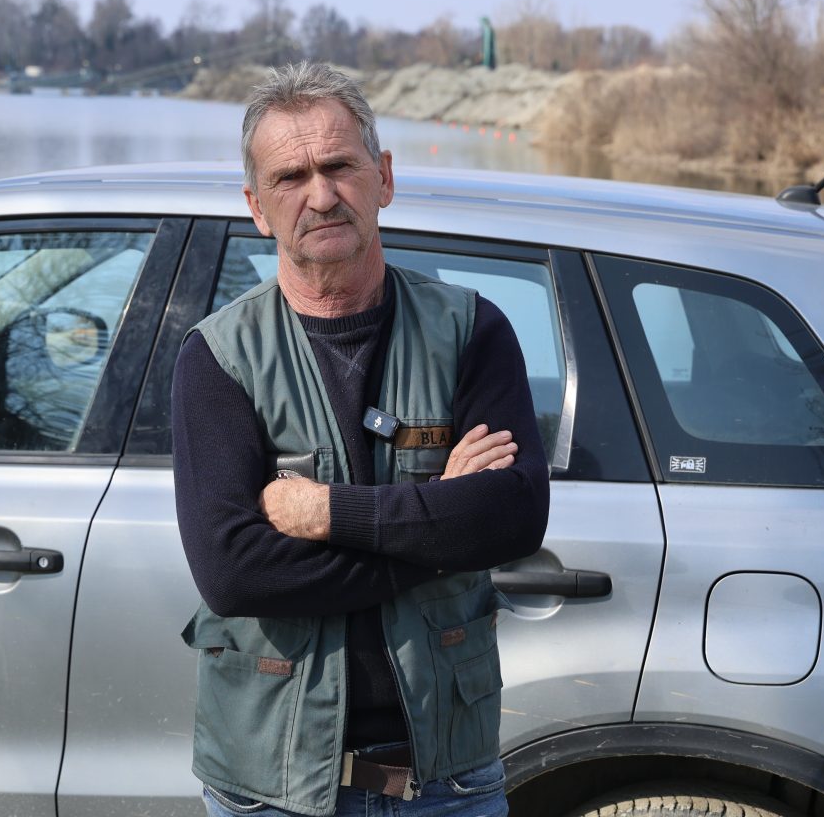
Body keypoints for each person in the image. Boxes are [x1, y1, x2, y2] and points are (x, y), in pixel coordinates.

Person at [172, 62, 550, 817]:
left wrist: (327, 514)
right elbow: (234, 574)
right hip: (271, 788)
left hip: (447, 781)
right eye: (291, 177)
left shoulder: (471, 331)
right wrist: (440, 523)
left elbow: (511, 518)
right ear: (257, 208)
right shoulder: (216, 358)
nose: (321, 196)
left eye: (340, 166)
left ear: (384, 178)